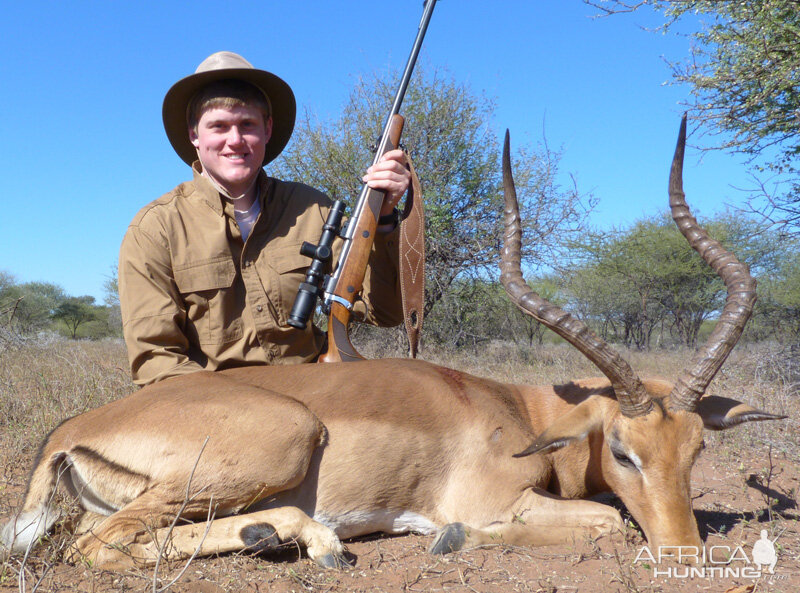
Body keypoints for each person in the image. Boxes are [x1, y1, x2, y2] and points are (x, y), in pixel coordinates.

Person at [119, 51, 410, 386]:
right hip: (214, 411)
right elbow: (157, 362)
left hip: (315, 392)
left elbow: (384, 312)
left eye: (247, 125)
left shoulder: (313, 209)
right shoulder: (154, 229)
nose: (235, 140)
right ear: (194, 136)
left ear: (267, 129)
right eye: (218, 126)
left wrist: (385, 214)